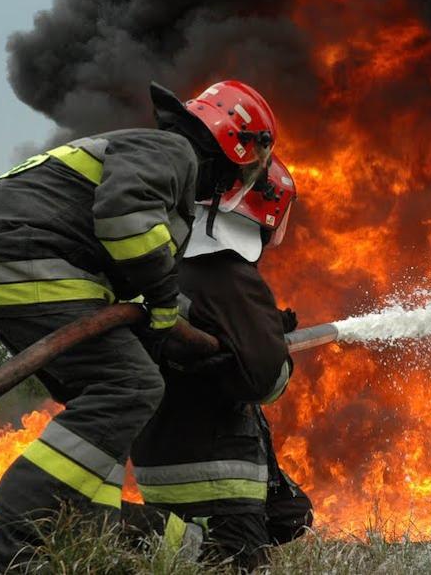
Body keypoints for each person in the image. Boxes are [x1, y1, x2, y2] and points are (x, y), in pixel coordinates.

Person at [0, 79, 277, 571]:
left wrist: (178, 325)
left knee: (102, 408)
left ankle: (83, 532)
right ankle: (9, 543)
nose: (241, 179)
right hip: (27, 256)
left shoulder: (151, 155)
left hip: (5, 262)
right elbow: (126, 221)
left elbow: (129, 270)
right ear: (234, 143)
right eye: (250, 165)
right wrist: (167, 309)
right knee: (131, 385)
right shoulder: (172, 152)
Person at [130, 156, 312, 569]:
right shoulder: (226, 271)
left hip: (160, 463)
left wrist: (260, 331)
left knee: (291, 516)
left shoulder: (167, 267)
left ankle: (170, 541)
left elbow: (204, 350)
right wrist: (272, 347)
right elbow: (266, 381)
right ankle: (123, 529)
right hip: (216, 473)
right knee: (233, 563)